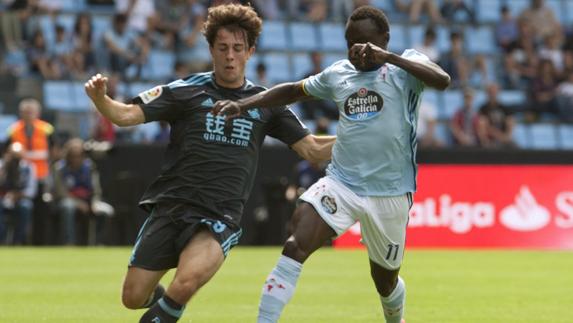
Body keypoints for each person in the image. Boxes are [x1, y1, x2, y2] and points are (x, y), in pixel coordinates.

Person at [84, 4, 335, 323]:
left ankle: (167, 310)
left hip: (220, 215)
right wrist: (100, 99)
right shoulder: (185, 91)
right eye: (223, 48)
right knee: (133, 297)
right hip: (171, 207)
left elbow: (312, 149)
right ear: (211, 50)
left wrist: (363, 139)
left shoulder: (267, 103)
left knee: (185, 283)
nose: (230, 56)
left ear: (250, 52)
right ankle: (163, 303)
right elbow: (125, 115)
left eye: (237, 48)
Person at [213, 5, 450, 323]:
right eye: (352, 43)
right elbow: (293, 90)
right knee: (296, 242)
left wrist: (389, 58)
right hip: (342, 182)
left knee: (385, 281)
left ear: (384, 39)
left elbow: (442, 80)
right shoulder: (339, 73)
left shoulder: (406, 66)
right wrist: (243, 104)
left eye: (366, 43)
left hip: (390, 193)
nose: (358, 51)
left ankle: (396, 318)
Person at [7, 98, 54, 244]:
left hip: (41, 176)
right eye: (25, 112)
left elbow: (54, 151)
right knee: (23, 211)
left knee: (41, 212)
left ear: (37, 113)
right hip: (22, 178)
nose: (28, 115)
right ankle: (19, 242)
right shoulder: (13, 130)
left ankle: (40, 242)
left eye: (31, 112)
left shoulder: (46, 129)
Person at [52, 138, 107, 245]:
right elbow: (61, 191)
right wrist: (78, 203)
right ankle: (69, 243)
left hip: (87, 201)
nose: (76, 159)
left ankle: (98, 243)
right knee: (68, 207)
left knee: (105, 211)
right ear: (68, 155)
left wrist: (95, 202)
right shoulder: (60, 168)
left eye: (79, 155)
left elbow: (96, 189)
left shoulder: (89, 167)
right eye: (73, 156)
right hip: (67, 200)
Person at [0, 142, 36, 245]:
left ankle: (18, 241)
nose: (15, 159)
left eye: (18, 156)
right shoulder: (2, 165)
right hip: (2, 198)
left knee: (26, 206)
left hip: (20, 198)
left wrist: (16, 195)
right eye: (13, 156)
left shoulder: (28, 167)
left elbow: (31, 190)